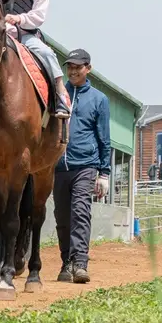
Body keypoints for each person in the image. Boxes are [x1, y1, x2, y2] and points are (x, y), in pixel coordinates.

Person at [53, 48, 110, 284]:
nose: (73, 71)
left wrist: (104, 173)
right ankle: (66, 262)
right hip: (57, 167)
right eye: (70, 67)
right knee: (62, 217)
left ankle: (80, 264)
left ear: (88, 68)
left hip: (85, 165)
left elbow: (104, 138)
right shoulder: (57, 94)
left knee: (80, 213)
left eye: (78, 66)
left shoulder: (99, 99)